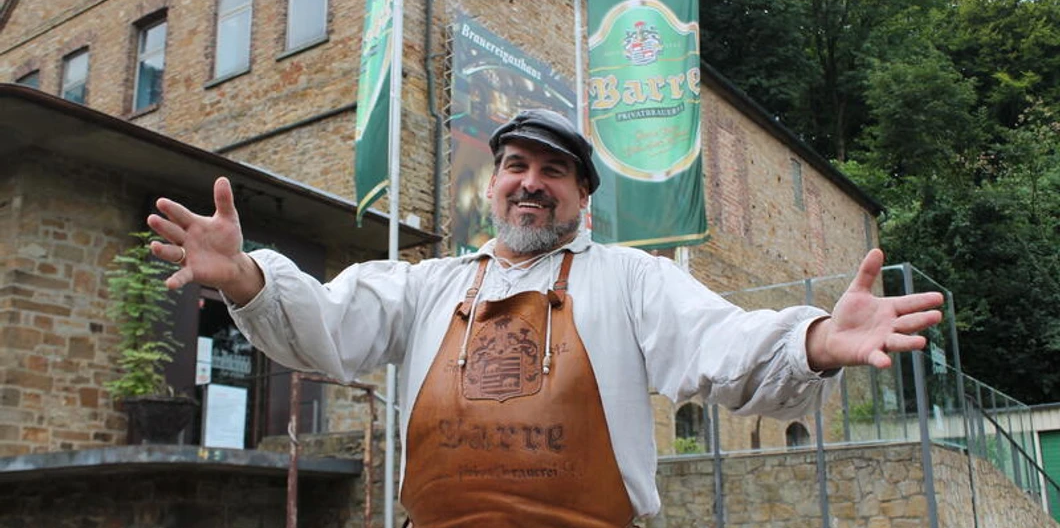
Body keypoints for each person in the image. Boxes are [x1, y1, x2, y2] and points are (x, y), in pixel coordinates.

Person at [147, 109, 944, 527]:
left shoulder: (632, 278)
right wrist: (246, 275)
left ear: (582, 195)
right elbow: (323, 325)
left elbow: (725, 344)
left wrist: (817, 339)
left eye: (553, 170)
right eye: (516, 166)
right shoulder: (427, 284)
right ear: (493, 184)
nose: (531, 182)